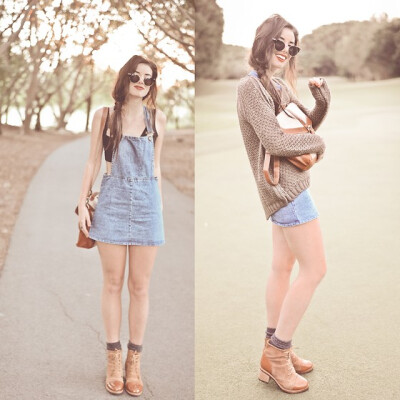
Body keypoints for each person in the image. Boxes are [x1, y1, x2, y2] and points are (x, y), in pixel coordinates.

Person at [236, 14, 330, 394]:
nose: (286, 51)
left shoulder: (276, 86)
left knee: (282, 267)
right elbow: (276, 143)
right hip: (286, 191)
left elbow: (305, 126)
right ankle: (278, 355)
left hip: (287, 189)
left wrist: (321, 101)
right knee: (315, 270)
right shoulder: (250, 87)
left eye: (292, 47)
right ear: (264, 42)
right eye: (280, 43)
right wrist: (318, 146)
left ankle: (270, 352)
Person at [77, 55, 166, 396]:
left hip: (146, 204)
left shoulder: (158, 118)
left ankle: (134, 362)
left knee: (140, 287)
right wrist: (82, 203)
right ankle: (113, 358)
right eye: (136, 75)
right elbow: (91, 161)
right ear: (124, 78)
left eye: (149, 78)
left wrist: (159, 214)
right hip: (112, 201)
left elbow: (157, 168)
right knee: (112, 283)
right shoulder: (105, 115)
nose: (142, 82)